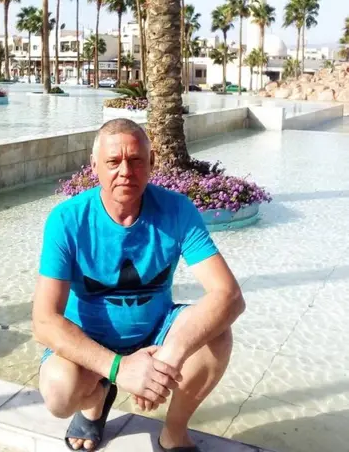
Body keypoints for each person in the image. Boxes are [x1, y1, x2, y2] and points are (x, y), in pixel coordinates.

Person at [33, 118, 245, 452]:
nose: (125, 172)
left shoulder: (177, 210)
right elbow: (44, 322)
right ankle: (97, 399)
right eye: (113, 162)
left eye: (135, 160)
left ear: (151, 162)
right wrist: (119, 369)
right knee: (60, 395)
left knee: (217, 331)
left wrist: (169, 358)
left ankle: (174, 432)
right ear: (94, 166)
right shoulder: (67, 219)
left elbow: (229, 295)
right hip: (90, 340)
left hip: (156, 333)